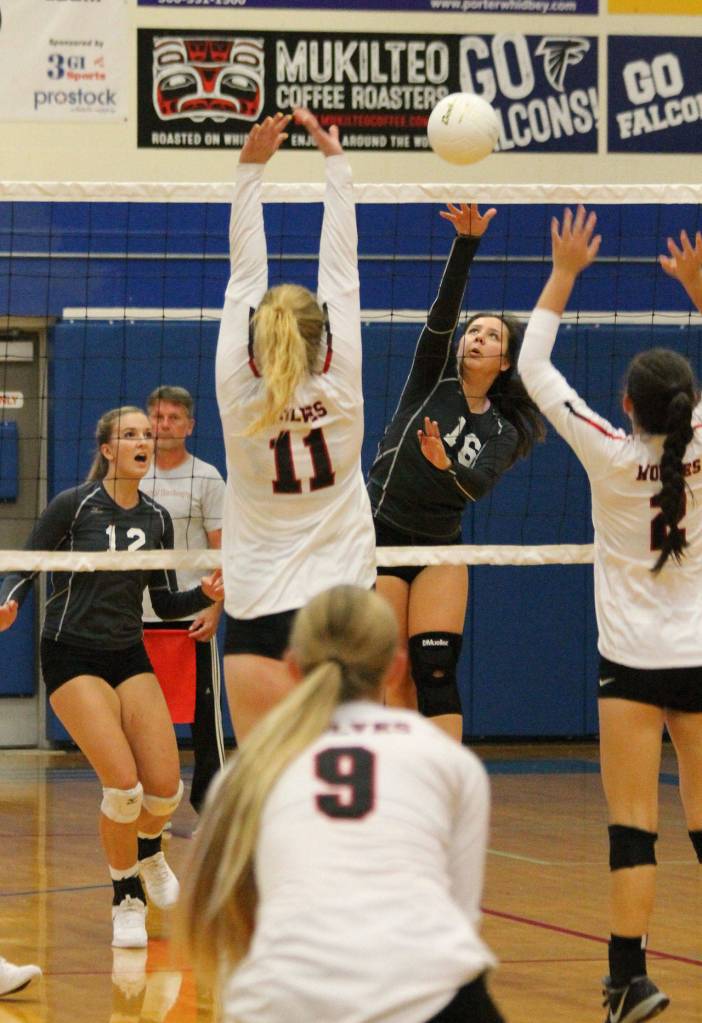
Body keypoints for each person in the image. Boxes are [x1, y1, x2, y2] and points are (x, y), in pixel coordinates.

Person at [518, 209, 702, 1023]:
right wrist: (698, 287)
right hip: (699, 655)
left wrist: (564, 272)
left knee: (635, 827)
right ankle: (626, 981)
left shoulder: (606, 448)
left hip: (629, 661)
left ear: (626, 404)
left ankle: (627, 978)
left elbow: (532, 364)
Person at [179, 584, 505, 1023]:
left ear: (292, 668)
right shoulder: (447, 760)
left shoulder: (247, 773)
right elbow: (460, 915)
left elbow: (230, 923)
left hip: (283, 1001)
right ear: (394, 669)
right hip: (429, 997)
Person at [0, 407, 223, 949]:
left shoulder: (157, 518)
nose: (143, 441)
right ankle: (126, 895)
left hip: (128, 651)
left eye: (147, 434)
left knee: (165, 790)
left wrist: (209, 596)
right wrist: (9, 599)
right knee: (124, 788)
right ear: (108, 450)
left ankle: (149, 851)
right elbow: (25, 561)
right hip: (71, 653)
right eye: (130, 435)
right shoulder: (73, 507)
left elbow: (165, 601)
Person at [216, 109, 376, 742]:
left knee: (264, 787)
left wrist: (248, 170)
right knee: (344, 782)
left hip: (257, 600)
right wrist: (336, 163)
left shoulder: (236, 384)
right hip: (342, 598)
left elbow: (243, 277)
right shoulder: (342, 377)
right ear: (320, 335)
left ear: (261, 332)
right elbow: (343, 270)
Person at [367, 203, 544, 740]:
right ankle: (397, 785)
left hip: (441, 546)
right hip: (381, 535)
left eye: (491, 337)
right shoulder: (432, 379)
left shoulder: (504, 430)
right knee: (389, 670)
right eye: (474, 331)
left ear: (506, 362)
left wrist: (445, 466)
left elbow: (474, 486)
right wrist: (465, 244)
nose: (476, 338)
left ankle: (442, 789)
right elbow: (442, 315)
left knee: (435, 671)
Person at [141, 385, 227, 815]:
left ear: (190, 426)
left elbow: (221, 551)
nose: (165, 425)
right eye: (157, 417)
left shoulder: (207, 476)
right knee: (137, 715)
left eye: (174, 418)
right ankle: (141, 802)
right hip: (136, 616)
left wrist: (215, 609)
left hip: (190, 614)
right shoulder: (129, 472)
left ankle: (211, 807)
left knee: (204, 719)